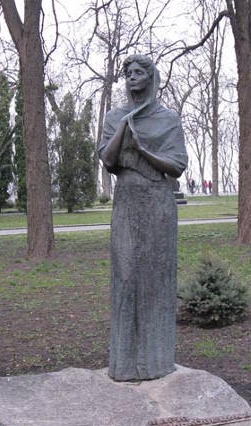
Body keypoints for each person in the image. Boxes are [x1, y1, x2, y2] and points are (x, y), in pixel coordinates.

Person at [98, 55, 188, 381]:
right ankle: (124, 364)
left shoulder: (167, 119)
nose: (132, 77)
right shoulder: (114, 117)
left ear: (151, 78)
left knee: (155, 280)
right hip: (127, 202)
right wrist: (123, 129)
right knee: (126, 277)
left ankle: (156, 362)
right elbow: (108, 161)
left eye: (138, 72)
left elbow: (176, 165)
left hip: (158, 205)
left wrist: (141, 149)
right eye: (128, 73)